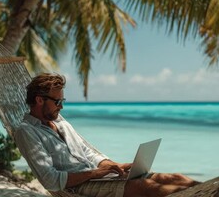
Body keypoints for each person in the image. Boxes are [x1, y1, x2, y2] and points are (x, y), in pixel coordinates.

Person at [14, 73, 199, 197]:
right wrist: (96, 173)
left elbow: (87, 152)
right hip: (77, 187)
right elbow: (51, 180)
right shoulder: (27, 131)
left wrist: (113, 165)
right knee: (146, 188)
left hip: (97, 176)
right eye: (57, 101)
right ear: (39, 100)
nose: (61, 106)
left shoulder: (59, 121)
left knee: (174, 178)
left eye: (62, 100)